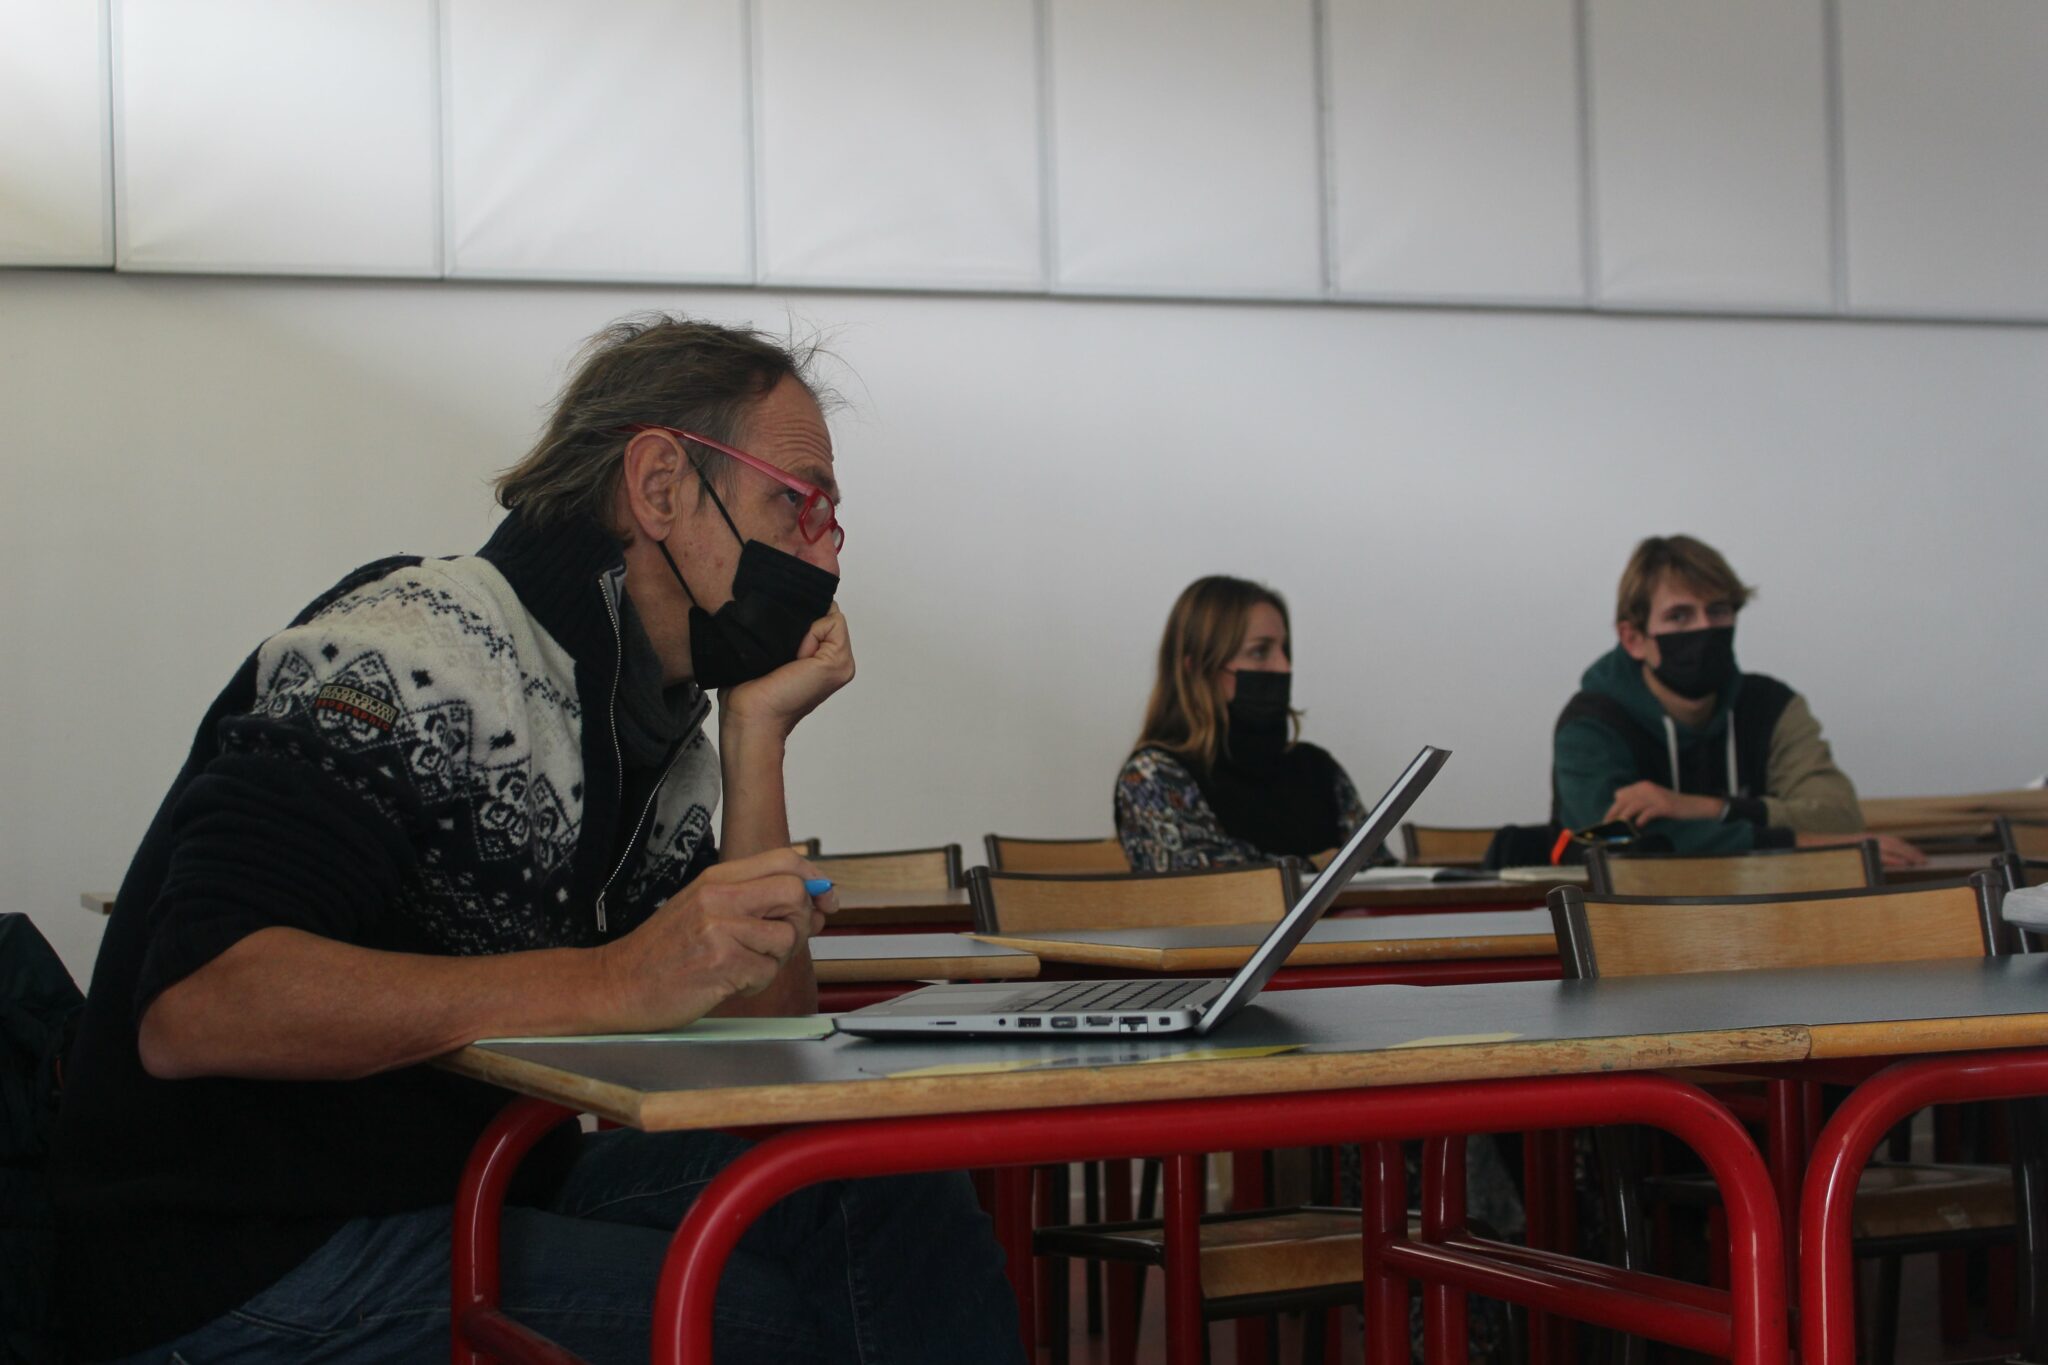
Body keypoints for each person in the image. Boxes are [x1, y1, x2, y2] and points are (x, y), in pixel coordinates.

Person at [52, 315, 1023, 1364]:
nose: (821, 548)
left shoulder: (660, 723)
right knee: (770, 1323)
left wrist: (755, 738)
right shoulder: (408, 646)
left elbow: (764, 1052)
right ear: (657, 487)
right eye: (795, 501)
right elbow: (199, 1006)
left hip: (471, 1182)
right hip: (242, 1254)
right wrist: (610, 980)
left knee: (873, 1190)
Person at [1551, 534, 1923, 867]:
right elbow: (1613, 843)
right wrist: (1796, 842)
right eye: (1679, 616)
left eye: (1718, 611)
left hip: (1766, 913)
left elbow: (1839, 817)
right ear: (1633, 639)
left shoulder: (1773, 707)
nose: (1704, 629)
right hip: (1626, 926)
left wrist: (1705, 808)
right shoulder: (1591, 724)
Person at [1114, 576, 1380, 873]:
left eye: (1284, 649)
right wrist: (1321, 865)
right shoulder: (1154, 775)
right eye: (1259, 651)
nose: (1284, 667)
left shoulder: (1318, 768)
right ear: (1197, 668)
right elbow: (1209, 882)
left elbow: (1382, 869)